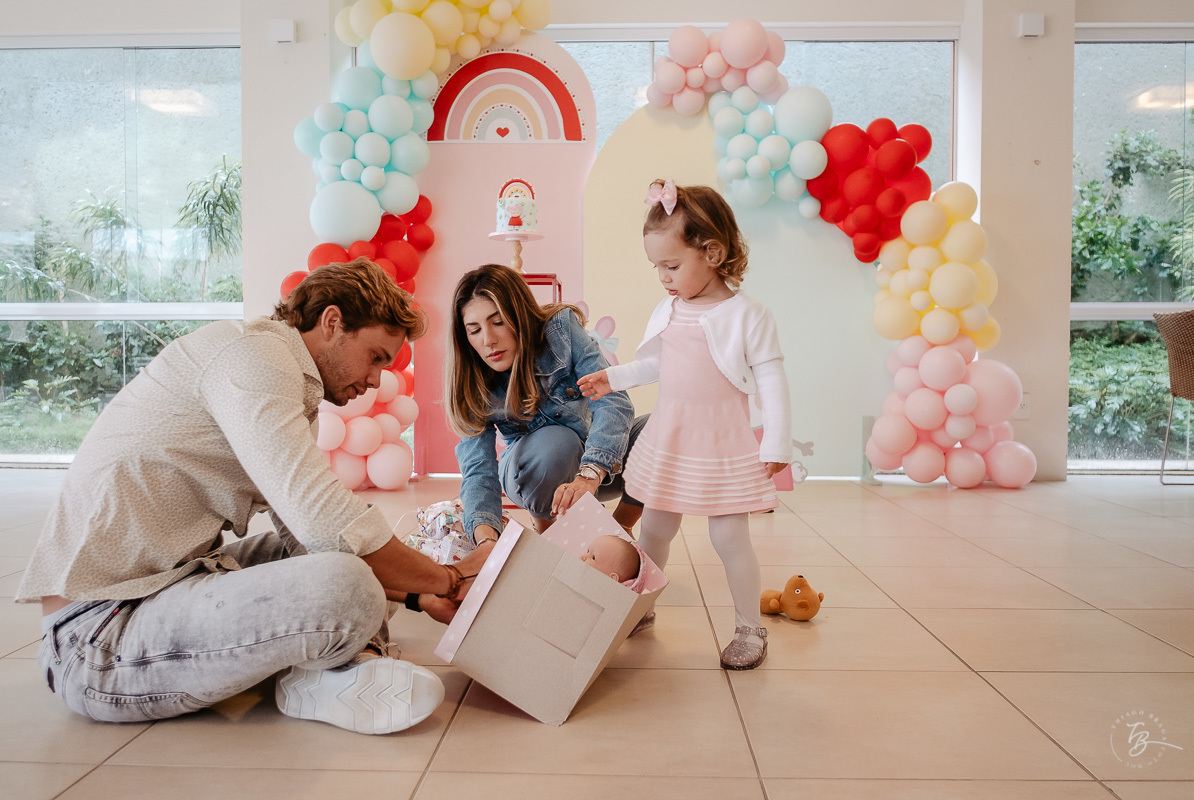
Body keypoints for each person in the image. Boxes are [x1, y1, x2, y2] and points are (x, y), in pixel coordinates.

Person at [15, 258, 494, 735]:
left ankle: (340, 671)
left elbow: (309, 537)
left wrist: (416, 593)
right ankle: (335, 673)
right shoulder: (254, 361)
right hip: (98, 635)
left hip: (163, 588)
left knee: (357, 563)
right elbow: (325, 520)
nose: (375, 380)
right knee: (349, 579)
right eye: (376, 356)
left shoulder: (274, 369)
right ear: (332, 323)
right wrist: (446, 580)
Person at [578, 179, 793, 670]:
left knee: (728, 538)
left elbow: (771, 377)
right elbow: (655, 366)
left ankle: (748, 627)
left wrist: (776, 439)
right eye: (657, 267)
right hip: (672, 439)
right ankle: (641, 604)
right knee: (654, 528)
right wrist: (611, 378)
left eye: (672, 266)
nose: (663, 277)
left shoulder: (747, 315)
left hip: (723, 444)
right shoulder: (669, 310)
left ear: (713, 252)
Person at [446, 264, 646, 543]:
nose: (488, 340)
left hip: (594, 467)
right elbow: (478, 470)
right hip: (531, 473)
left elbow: (614, 401)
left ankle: (621, 531)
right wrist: (486, 542)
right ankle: (549, 537)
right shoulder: (470, 379)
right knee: (558, 442)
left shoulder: (561, 329)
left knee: (664, 426)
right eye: (474, 329)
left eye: (498, 321)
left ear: (520, 315)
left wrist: (590, 473)